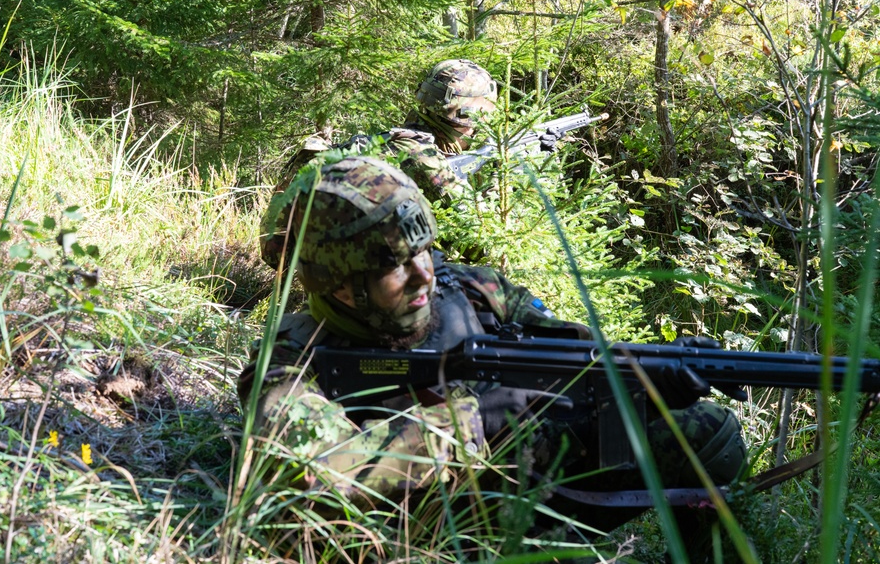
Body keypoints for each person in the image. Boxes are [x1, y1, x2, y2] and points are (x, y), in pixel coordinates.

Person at [238, 156, 747, 548]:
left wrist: (644, 376)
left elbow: (573, 350)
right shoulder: (294, 360)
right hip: (433, 532)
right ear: (340, 284)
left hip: (538, 479)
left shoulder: (474, 289)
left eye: (423, 251)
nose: (423, 274)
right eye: (395, 266)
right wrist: (475, 421)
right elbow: (319, 471)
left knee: (707, 431)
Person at [259, 59, 501, 270]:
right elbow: (480, 245)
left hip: (301, 256)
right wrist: (498, 187)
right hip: (335, 272)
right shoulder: (420, 157)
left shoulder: (396, 141)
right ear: (465, 115)